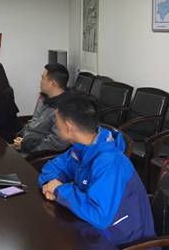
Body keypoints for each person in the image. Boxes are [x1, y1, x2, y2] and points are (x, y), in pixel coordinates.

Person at [39, 94, 155, 248]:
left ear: (68, 126)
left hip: (122, 242)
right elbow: (52, 168)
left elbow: (99, 216)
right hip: (92, 230)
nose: (55, 124)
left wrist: (59, 189)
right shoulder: (82, 147)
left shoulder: (110, 162)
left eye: (56, 120)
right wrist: (50, 184)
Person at [13, 63, 70, 154]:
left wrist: (26, 145)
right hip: (25, 142)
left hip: (37, 153)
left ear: (52, 83)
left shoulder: (65, 108)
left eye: (43, 78)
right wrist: (21, 136)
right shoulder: (44, 98)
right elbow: (34, 122)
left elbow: (57, 143)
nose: (40, 81)